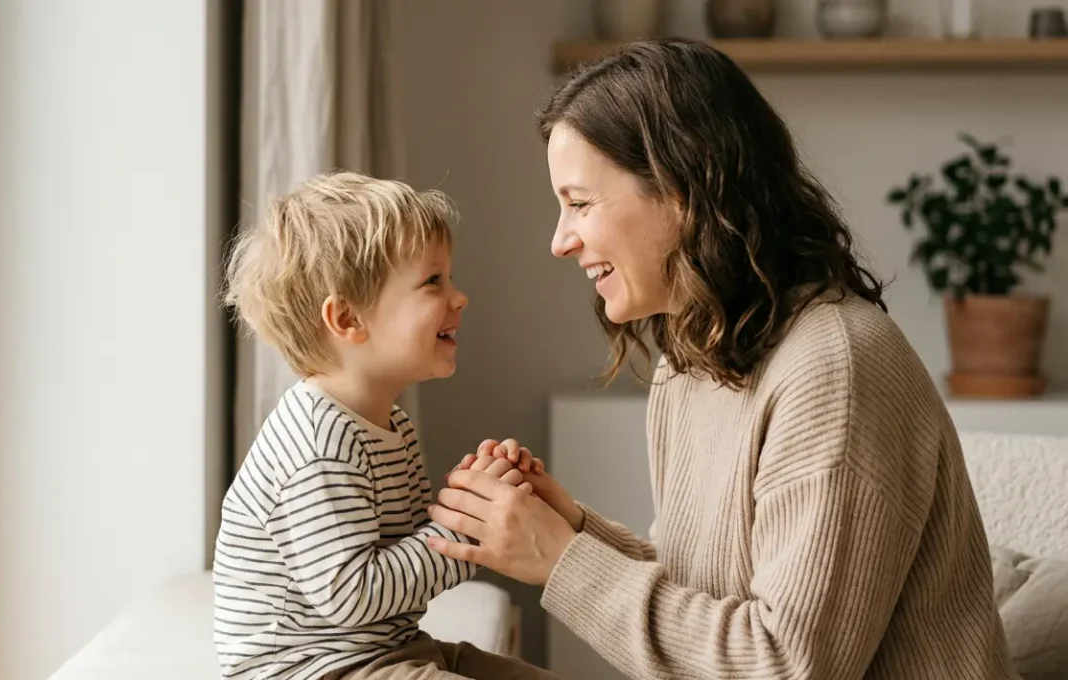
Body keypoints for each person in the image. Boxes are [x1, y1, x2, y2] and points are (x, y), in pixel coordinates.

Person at [426, 38, 1017, 679]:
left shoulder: (836, 367)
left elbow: (784, 665)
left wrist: (560, 556)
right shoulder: (690, 358)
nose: (560, 240)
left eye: (580, 202)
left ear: (682, 189)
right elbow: (707, 591)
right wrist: (567, 526)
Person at [213, 171, 558, 680]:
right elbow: (352, 595)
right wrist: (460, 534)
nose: (459, 297)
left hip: (383, 652)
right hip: (313, 671)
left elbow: (400, 552)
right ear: (349, 320)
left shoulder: (389, 423)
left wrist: (476, 499)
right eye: (432, 282)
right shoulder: (318, 444)